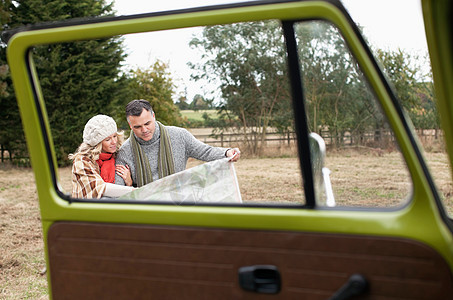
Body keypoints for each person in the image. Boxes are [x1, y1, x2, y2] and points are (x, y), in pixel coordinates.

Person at [115, 99, 240, 187]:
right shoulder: (125, 151)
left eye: (147, 123)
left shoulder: (179, 136)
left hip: (178, 204)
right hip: (145, 212)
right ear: (130, 126)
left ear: (154, 116)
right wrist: (129, 185)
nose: (144, 130)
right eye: (137, 127)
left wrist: (227, 152)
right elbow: (118, 189)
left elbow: (205, 151)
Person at [69, 114, 135, 198]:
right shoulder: (82, 161)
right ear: (97, 143)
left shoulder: (117, 155)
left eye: (115, 136)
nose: (114, 141)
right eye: (108, 139)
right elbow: (99, 188)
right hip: (87, 209)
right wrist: (133, 190)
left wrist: (129, 183)